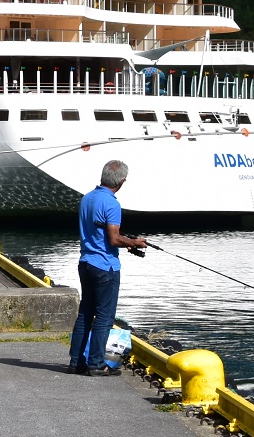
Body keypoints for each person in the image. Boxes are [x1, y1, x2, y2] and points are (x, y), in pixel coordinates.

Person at [67, 160, 147, 376]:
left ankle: (76, 363)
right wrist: (134, 242)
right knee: (104, 316)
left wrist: (126, 240)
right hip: (105, 266)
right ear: (121, 182)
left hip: (86, 262)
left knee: (85, 313)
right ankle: (96, 364)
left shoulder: (87, 198)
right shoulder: (112, 204)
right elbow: (113, 239)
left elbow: (100, 232)